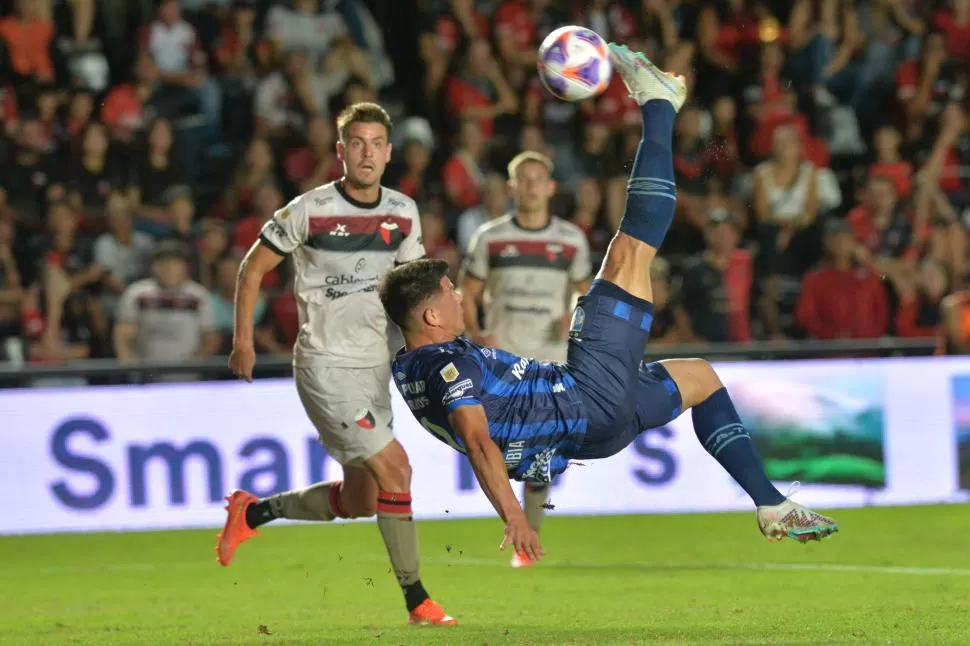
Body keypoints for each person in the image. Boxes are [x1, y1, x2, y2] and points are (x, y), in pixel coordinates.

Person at [378, 46, 839, 563]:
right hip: (585, 399)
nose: (460, 294)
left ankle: (771, 503)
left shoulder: (410, 362)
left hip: (592, 437)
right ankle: (657, 104)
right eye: (449, 294)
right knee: (628, 252)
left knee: (702, 380)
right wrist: (514, 519)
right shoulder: (445, 365)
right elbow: (479, 442)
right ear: (431, 316)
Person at [218, 102, 456, 626]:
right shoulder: (309, 209)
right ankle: (418, 601)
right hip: (326, 364)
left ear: (389, 153)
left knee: (361, 500)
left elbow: (411, 289)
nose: (367, 153)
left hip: (375, 368)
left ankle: (253, 512)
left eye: (376, 144)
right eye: (357, 143)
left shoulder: (403, 212)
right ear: (341, 151)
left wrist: (432, 341)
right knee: (398, 470)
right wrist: (245, 341)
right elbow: (251, 268)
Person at [460, 150, 591, 568]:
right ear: (511, 189)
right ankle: (516, 526)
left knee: (543, 459)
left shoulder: (571, 239)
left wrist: (573, 315)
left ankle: (525, 541)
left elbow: (585, 292)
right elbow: (468, 293)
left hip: (550, 362)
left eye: (539, 178)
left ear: (551, 188)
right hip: (502, 364)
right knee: (497, 449)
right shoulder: (491, 236)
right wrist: (476, 333)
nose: (532, 185)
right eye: (524, 179)